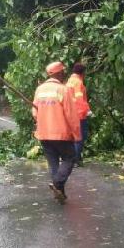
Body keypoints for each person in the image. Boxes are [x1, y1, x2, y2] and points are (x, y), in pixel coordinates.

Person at [32, 61, 81, 203]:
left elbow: (34, 113)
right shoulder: (63, 90)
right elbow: (72, 115)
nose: (64, 73)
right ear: (59, 73)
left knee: (54, 164)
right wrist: (77, 135)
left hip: (44, 134)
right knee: (70, 158)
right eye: (63, 71)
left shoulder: (39, 90)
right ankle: (58, 184)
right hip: (61, 134)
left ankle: (60, 193)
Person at [66, 63, 91, 166]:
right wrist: (87, 110)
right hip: (79, 114)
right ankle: (75, 160)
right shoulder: (78, 83)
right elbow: (80, 99)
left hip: (70, 113)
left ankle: (76, 158)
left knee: (73, 137)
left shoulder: (69, 81)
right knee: (80, 137)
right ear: (82, 73)